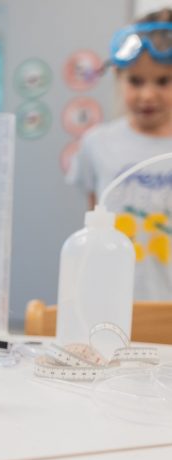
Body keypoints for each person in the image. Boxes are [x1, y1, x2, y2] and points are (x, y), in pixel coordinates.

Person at [67, 9, 172, 299]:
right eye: (136, 81)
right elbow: (93, 225)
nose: (147, 95)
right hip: (109, 299)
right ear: (117, 77)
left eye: (163, 81)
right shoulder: (97, 144)